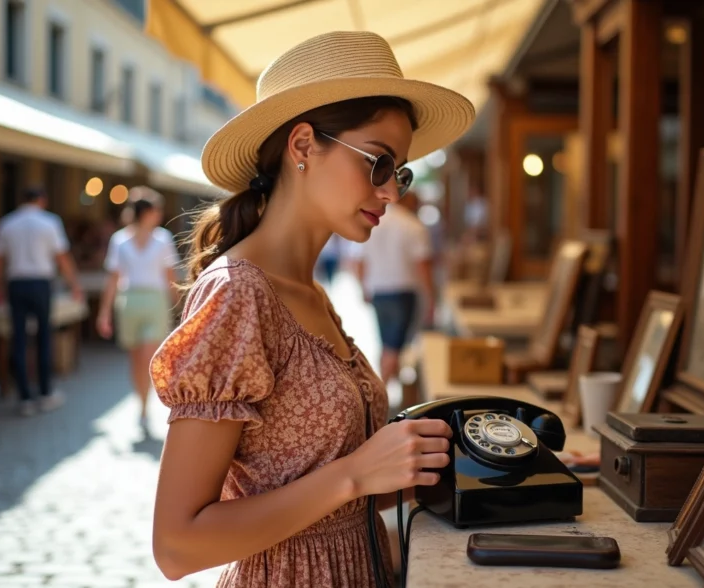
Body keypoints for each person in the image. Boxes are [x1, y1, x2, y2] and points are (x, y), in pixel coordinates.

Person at [148, 31, 473, 587]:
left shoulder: (310, 293)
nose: (391, 192)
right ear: (302, 146)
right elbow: (177, 546)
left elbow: (340, 487)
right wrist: (355, 475)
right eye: (378, 163)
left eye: (399, 172)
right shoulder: (238, 294)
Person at [0, 186, 82, 417]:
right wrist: (74, 285)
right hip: (41, 284)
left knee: (20, 339)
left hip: (16, 284)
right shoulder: (49, 222)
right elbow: (62, 257)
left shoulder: (7, 223)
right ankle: (44, 392)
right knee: (44, 338)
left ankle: (24, 397)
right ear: (42, 200)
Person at [97, 187, 179, 436]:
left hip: (154, 301)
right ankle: (142, 405)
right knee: (135, 359)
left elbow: (169, 276)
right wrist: (104, 313)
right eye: (156, 210)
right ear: (147, 213)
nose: (160, 215)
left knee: (148, 356)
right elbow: (113, 278)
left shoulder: (163, 238)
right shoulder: (120, 240)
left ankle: (146, 405)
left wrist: (180, 307)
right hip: (129, 301)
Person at [351, 191, 435, 384]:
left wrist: (363, 287)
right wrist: (431, 299)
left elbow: (358, 261)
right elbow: (423, 266)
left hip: (378, 291)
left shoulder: (373, 223)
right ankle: (382, 395)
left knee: (386, 345)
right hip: (402, 292)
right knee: (394, 348)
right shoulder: (413, 225)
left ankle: (390, 393)